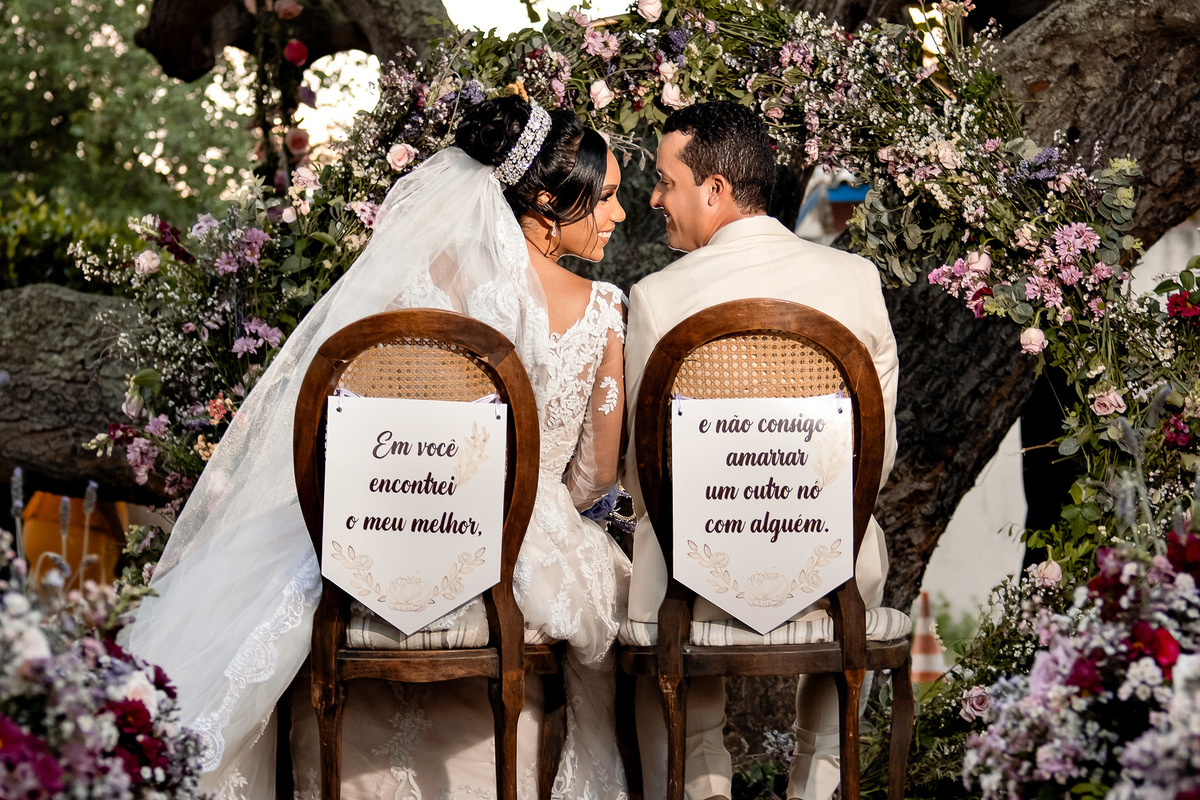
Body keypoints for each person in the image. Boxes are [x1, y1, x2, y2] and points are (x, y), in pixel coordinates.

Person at [125, 94, 632, 800]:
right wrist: (534, 502)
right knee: (617, 600)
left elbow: (362, 428)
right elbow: (594, 477)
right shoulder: (601, 309)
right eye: (605, 197)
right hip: (518, 549)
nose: (619, 213)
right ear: (548, 200)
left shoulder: (421, 284)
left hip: (391, 518)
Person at [621, 101, 899, 800]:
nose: (654, 199)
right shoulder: (855, 281)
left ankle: (697, 783)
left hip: (688, 582)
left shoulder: (655, 298)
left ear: (713, 190)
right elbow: (877, 455)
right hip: (833, 570)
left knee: (652, 575)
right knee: (858, 547)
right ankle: (817, 782)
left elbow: (644, 472)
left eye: (665, 182)